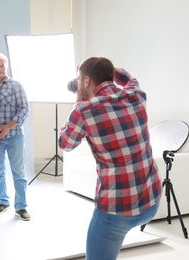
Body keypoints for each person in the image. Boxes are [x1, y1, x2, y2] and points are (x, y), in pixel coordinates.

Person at [58, 57, 162, 260]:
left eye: (79, 79)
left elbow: (65, 143)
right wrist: (104, 69)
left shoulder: (83, 110)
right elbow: (129, 77)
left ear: (87, 81)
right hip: (152, 201)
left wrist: (78, 102)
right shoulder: (137, 94)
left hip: (116, 211)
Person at [0, 53, 31, 221]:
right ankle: (3, 201)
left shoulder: (16, 86)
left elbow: (24, 109)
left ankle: (21, 206)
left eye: (2, 65)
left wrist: (7, 127)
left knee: (19, 172)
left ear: (7, 67)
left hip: (15, 136)